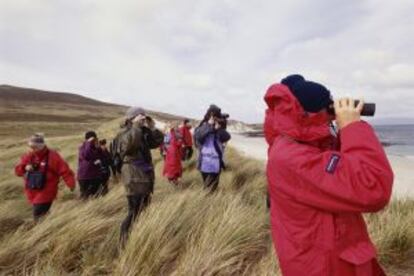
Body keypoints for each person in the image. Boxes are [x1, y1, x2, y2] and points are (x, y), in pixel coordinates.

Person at [264, 75, 394, 276]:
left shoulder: (297, 144)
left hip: (332, 260)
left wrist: (341, 131)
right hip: (325, 267)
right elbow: (373, 186)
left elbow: (341, 168)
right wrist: (352, 127)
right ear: (309, 114)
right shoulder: (291, 158)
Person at [113, 107, 164, 246]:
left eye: (144, 115)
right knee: (134, 211)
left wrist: (152, 128)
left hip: (143, 176)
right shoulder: (124, 133)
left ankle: (137, 239)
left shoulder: (142, 132)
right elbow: (129, 145)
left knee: (143, 209)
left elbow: (157, 142)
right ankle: (123, 243)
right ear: (131, 118)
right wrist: (136, 125)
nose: (143, 118)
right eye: (140, 116)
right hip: (133, 176)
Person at [15, 134, 76, 221]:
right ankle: (48, 228)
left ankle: (40, 232)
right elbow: (18, 171)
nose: (32, 149)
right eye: (30, 146)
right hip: (32, 190)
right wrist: (25, 167)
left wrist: (71, 184)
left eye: (34, 147)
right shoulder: (28, 156)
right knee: (41, 215)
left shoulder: (53, 156)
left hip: (47, 191)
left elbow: (65, 171)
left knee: (38, 215)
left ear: (41, 146)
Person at [194, 105, 231, 192]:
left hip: (216, 162)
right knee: (207, 186)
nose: (214, 118)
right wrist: (209, 126)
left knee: (213, 186)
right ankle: (207, 201)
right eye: (212, 116)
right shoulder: (202, 126)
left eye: (215, 117)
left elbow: (227, 137)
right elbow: (198, 137)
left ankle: (209, 201)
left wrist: (218, 129)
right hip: (204, 162)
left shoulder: (218, 127)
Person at [77, 131, 104, 199]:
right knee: (88, 196)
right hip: (87, 176)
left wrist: (99, 148)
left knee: (93, 196)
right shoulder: (84, 147)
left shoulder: (93, 147)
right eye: (95, 139)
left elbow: (101, 156)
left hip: (89, 175)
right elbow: (86, 155)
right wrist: (89, 142)